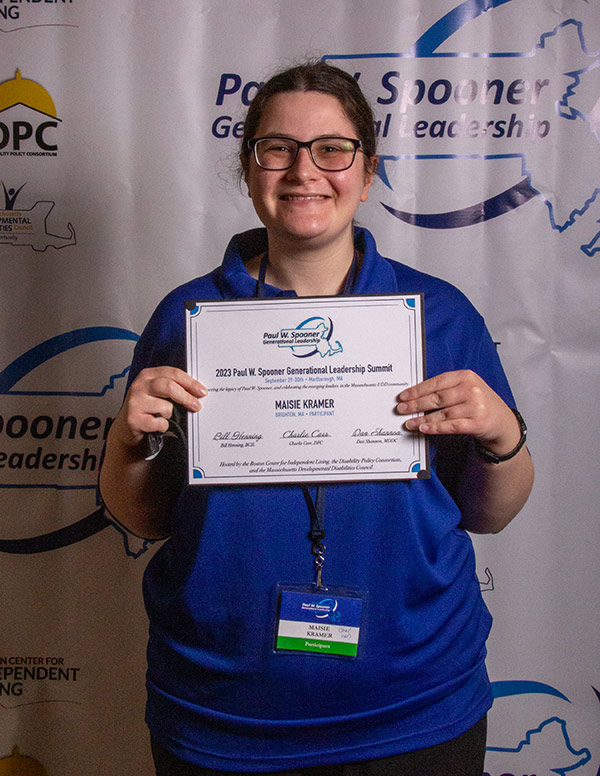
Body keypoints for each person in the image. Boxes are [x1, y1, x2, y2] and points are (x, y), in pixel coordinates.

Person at [99, 61, 534, 776]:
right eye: (278, 148)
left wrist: (501, 436)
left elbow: (491, 514)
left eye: (332, 149)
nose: (305, 171)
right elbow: (144, 517)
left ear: (366, 173)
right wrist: (128, 440)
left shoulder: (442, 315)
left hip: (415, 708)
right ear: (250, 170)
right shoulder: (186, 319)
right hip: (222, 713)